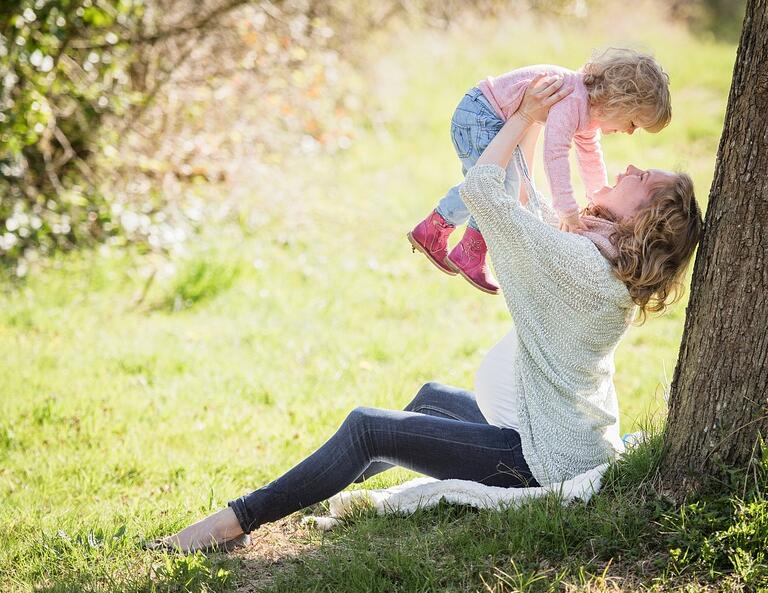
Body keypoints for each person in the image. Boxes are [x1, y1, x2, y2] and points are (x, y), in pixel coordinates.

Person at [148, 74, 701, 554]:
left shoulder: (581, 265)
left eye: (645, 179)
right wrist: (535, 122)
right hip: (558, 434)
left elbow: (485, 190)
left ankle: (235, 522)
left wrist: (526, 117)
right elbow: (529, 206)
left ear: (645, 221)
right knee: (430, 399)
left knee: (369, 427)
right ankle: (312, 487)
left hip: (539, 458)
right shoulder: (603, 262)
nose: (630, 166)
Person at [408, 48, 671, 294]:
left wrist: (597, 196)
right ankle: (467, 249)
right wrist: (566, 209)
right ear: (618, 102)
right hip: (480, 115)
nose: (628, 132)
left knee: (494, 183)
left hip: (487, 116)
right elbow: (555, 154)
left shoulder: (588, 111)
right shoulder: (573, 100)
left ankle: (437, 232)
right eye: (633, 123)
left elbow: (590, 156)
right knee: (495, 184)